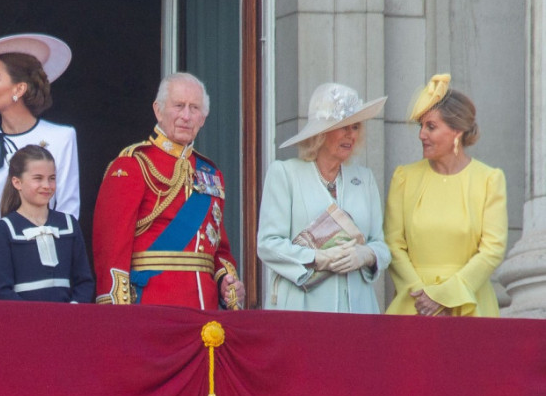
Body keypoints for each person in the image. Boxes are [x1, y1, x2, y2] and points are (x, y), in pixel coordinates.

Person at [92, 72, 244, 309]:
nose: (186, 116)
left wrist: (226, 279)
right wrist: (117, 311)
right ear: (158, 110)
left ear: (203, 118)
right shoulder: (132, 165)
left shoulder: (210, 173)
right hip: (152, 305)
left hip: (205, 309)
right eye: (178, 106)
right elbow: (111, 248)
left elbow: (218, 248)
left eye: (194, 108)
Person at [0, 33, 79, 300]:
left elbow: (68, 211)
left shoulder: (62, 138)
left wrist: (43, 268)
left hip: (45, 272)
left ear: (19, 89)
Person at [256, 83, 391, 313]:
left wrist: (366, 254)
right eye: (343, 127)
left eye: (356, 127)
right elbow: (268, 245)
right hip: (302, 309)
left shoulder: (364, 179)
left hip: (357, 310)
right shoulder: (285, 174)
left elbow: (381, 246)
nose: (351, 135)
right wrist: (318, 257)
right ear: (320, 133)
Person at [385, 74, 507, 317]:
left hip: (469, 304)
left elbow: (493, 249)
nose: (422, 135)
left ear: (457, 132)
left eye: (431, 126)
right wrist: (424, 297)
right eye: (421, 126)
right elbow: (393, 244)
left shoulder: (489, 179)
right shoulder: (404, 178)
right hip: (414, 306)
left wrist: (446, 296)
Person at [0, 145, 94, 303]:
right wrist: (33, 317)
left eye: (52, 178)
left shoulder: (69, 224)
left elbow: (84, 281)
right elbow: (2, 290)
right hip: (24, 322)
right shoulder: (5, 228)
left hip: (67, 321)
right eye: (38, 178)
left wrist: (73, 310)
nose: (47, 185)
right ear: (17, 182)